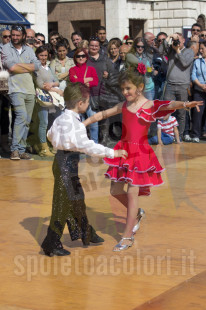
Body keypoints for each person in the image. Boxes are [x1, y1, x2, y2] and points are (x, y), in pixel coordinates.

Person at [84, 70, 202, 251]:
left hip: (140, 154)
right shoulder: (124, 105)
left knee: (132, 193)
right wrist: (82, 124)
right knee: (115, 190)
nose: (125, 92)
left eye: (128, 88)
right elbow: (103, 114)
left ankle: (127, 236)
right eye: (123, 89)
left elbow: (169, 103)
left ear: (139, 87)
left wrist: (185, 103)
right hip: (123, 151)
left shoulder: (148, 105)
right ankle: (138, 214)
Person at [41, 82, 127, 256]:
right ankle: (51, 243)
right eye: (88, 102)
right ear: (80, 103)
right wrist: (113, 152)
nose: (89, 105)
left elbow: (50, 134)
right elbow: (87, 146)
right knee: (62, 205)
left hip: (62, 162)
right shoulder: (75, 124)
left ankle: (87, 232)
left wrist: (60, 142)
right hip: (66, 164)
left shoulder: (61, 118)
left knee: (77, 199)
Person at [1, 24, 41, 160]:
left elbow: (37, 65)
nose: (15, 37)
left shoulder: (29, 50)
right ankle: (14, 150)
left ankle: (22, 149)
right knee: (21, 116)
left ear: (23, 36)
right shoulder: (5, 48)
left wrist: (20, 66)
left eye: (18, 35)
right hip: (15, 89)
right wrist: (27, 67)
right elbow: (11, 67)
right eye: (13, 35)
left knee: (27, 120)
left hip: (29, 89)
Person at [159, 32, 195, 140]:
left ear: (183, 40)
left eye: (178, 39)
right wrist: (169, 37)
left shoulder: (189, 51)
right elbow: (160, 50)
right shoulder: (171, 49)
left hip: (183, 86)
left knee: (181, 112)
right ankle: (166, 133)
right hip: (170, 84)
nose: (177, 41)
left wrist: (177, 50)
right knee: (165, 109)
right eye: (176, 39)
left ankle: (179, 135)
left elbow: (184, 63)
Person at [33, 45, 63, 157]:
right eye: (41, 55)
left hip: (52, 98)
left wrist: (53, 84)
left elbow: (57, 80)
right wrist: (56, 89)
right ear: (37, 56)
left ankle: (52, 144)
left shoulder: (49, 67)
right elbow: (41, 84)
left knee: (52, 122)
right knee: (43, 122)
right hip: (43, 98)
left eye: (45, 55)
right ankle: (43, 147)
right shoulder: (37, 68)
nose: (43, 57)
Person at [69, 48, 99, 143]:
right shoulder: (72, 69)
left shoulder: (91, 69)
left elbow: (96, 81)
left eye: (83, 56)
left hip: (89, 98)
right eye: (78, 56)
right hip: (77, 100)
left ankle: (95, 145)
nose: (81, 58)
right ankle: (81, 144)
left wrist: (85, 81)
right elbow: (73, 81)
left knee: (94, 123)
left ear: (86, 58)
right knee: (79, 124)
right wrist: (87, 79)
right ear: (75, 58)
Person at [190, 41, 206, 143]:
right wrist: (201, 85)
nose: (200, 51)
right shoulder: (197, 62)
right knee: (197, 112)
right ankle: (196, 134)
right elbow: (193, 75)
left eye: (202, 49)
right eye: (200, 49)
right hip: (199, 91)